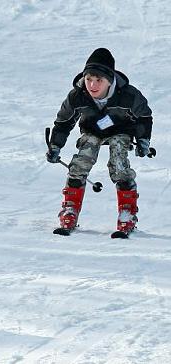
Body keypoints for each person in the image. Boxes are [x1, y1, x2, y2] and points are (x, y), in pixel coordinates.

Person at [46, 48, 153, 234]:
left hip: (121, 131)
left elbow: (144, 116)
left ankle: (127, 211)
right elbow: (63, 121)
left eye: (99, 81)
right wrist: (55, 145)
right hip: (92, 131)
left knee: (118, 159)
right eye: (89, 79)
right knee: (81, 161)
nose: (92, 85)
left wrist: (143, 139)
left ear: (110, 80)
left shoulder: (128, 95)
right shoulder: (77, 96)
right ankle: (70, 207)